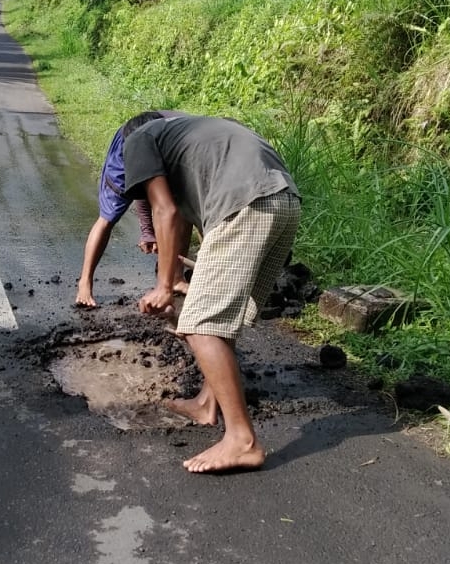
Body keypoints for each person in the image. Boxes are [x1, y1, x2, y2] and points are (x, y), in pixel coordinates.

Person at [122, 114, 301, 474]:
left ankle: (242, 441)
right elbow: (181, 220)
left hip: (246, 203)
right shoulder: (191, 140)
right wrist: (172, 278)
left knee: (200, 325)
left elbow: (165, 211)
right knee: (219, 316)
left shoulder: (137, 139)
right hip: (283, 199)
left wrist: (162, 288)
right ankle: (207, 403)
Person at [76, 110, 192, 308]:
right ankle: (84, 282)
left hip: (166, 146)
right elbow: (141, 185)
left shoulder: (186, 138)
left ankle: (175, 277)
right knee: (108, 217)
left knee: (183, 206)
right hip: (131, 141)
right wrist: (148, 231)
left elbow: (160, 197)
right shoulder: (133, 147)